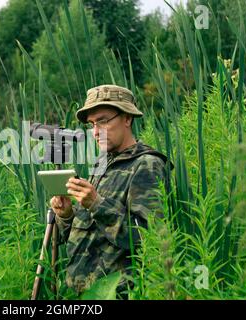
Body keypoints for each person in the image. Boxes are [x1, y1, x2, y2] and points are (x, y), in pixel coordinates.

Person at [50, 84, 172, 297]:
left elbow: (147, 240)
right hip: (83, 294)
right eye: (92, 124)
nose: (96, 132)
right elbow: (89, 233)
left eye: (104, 121)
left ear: (127, 118)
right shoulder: (101, 164)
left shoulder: (146, 165)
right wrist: (68, 216)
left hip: (119, 294)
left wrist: (96, 204)